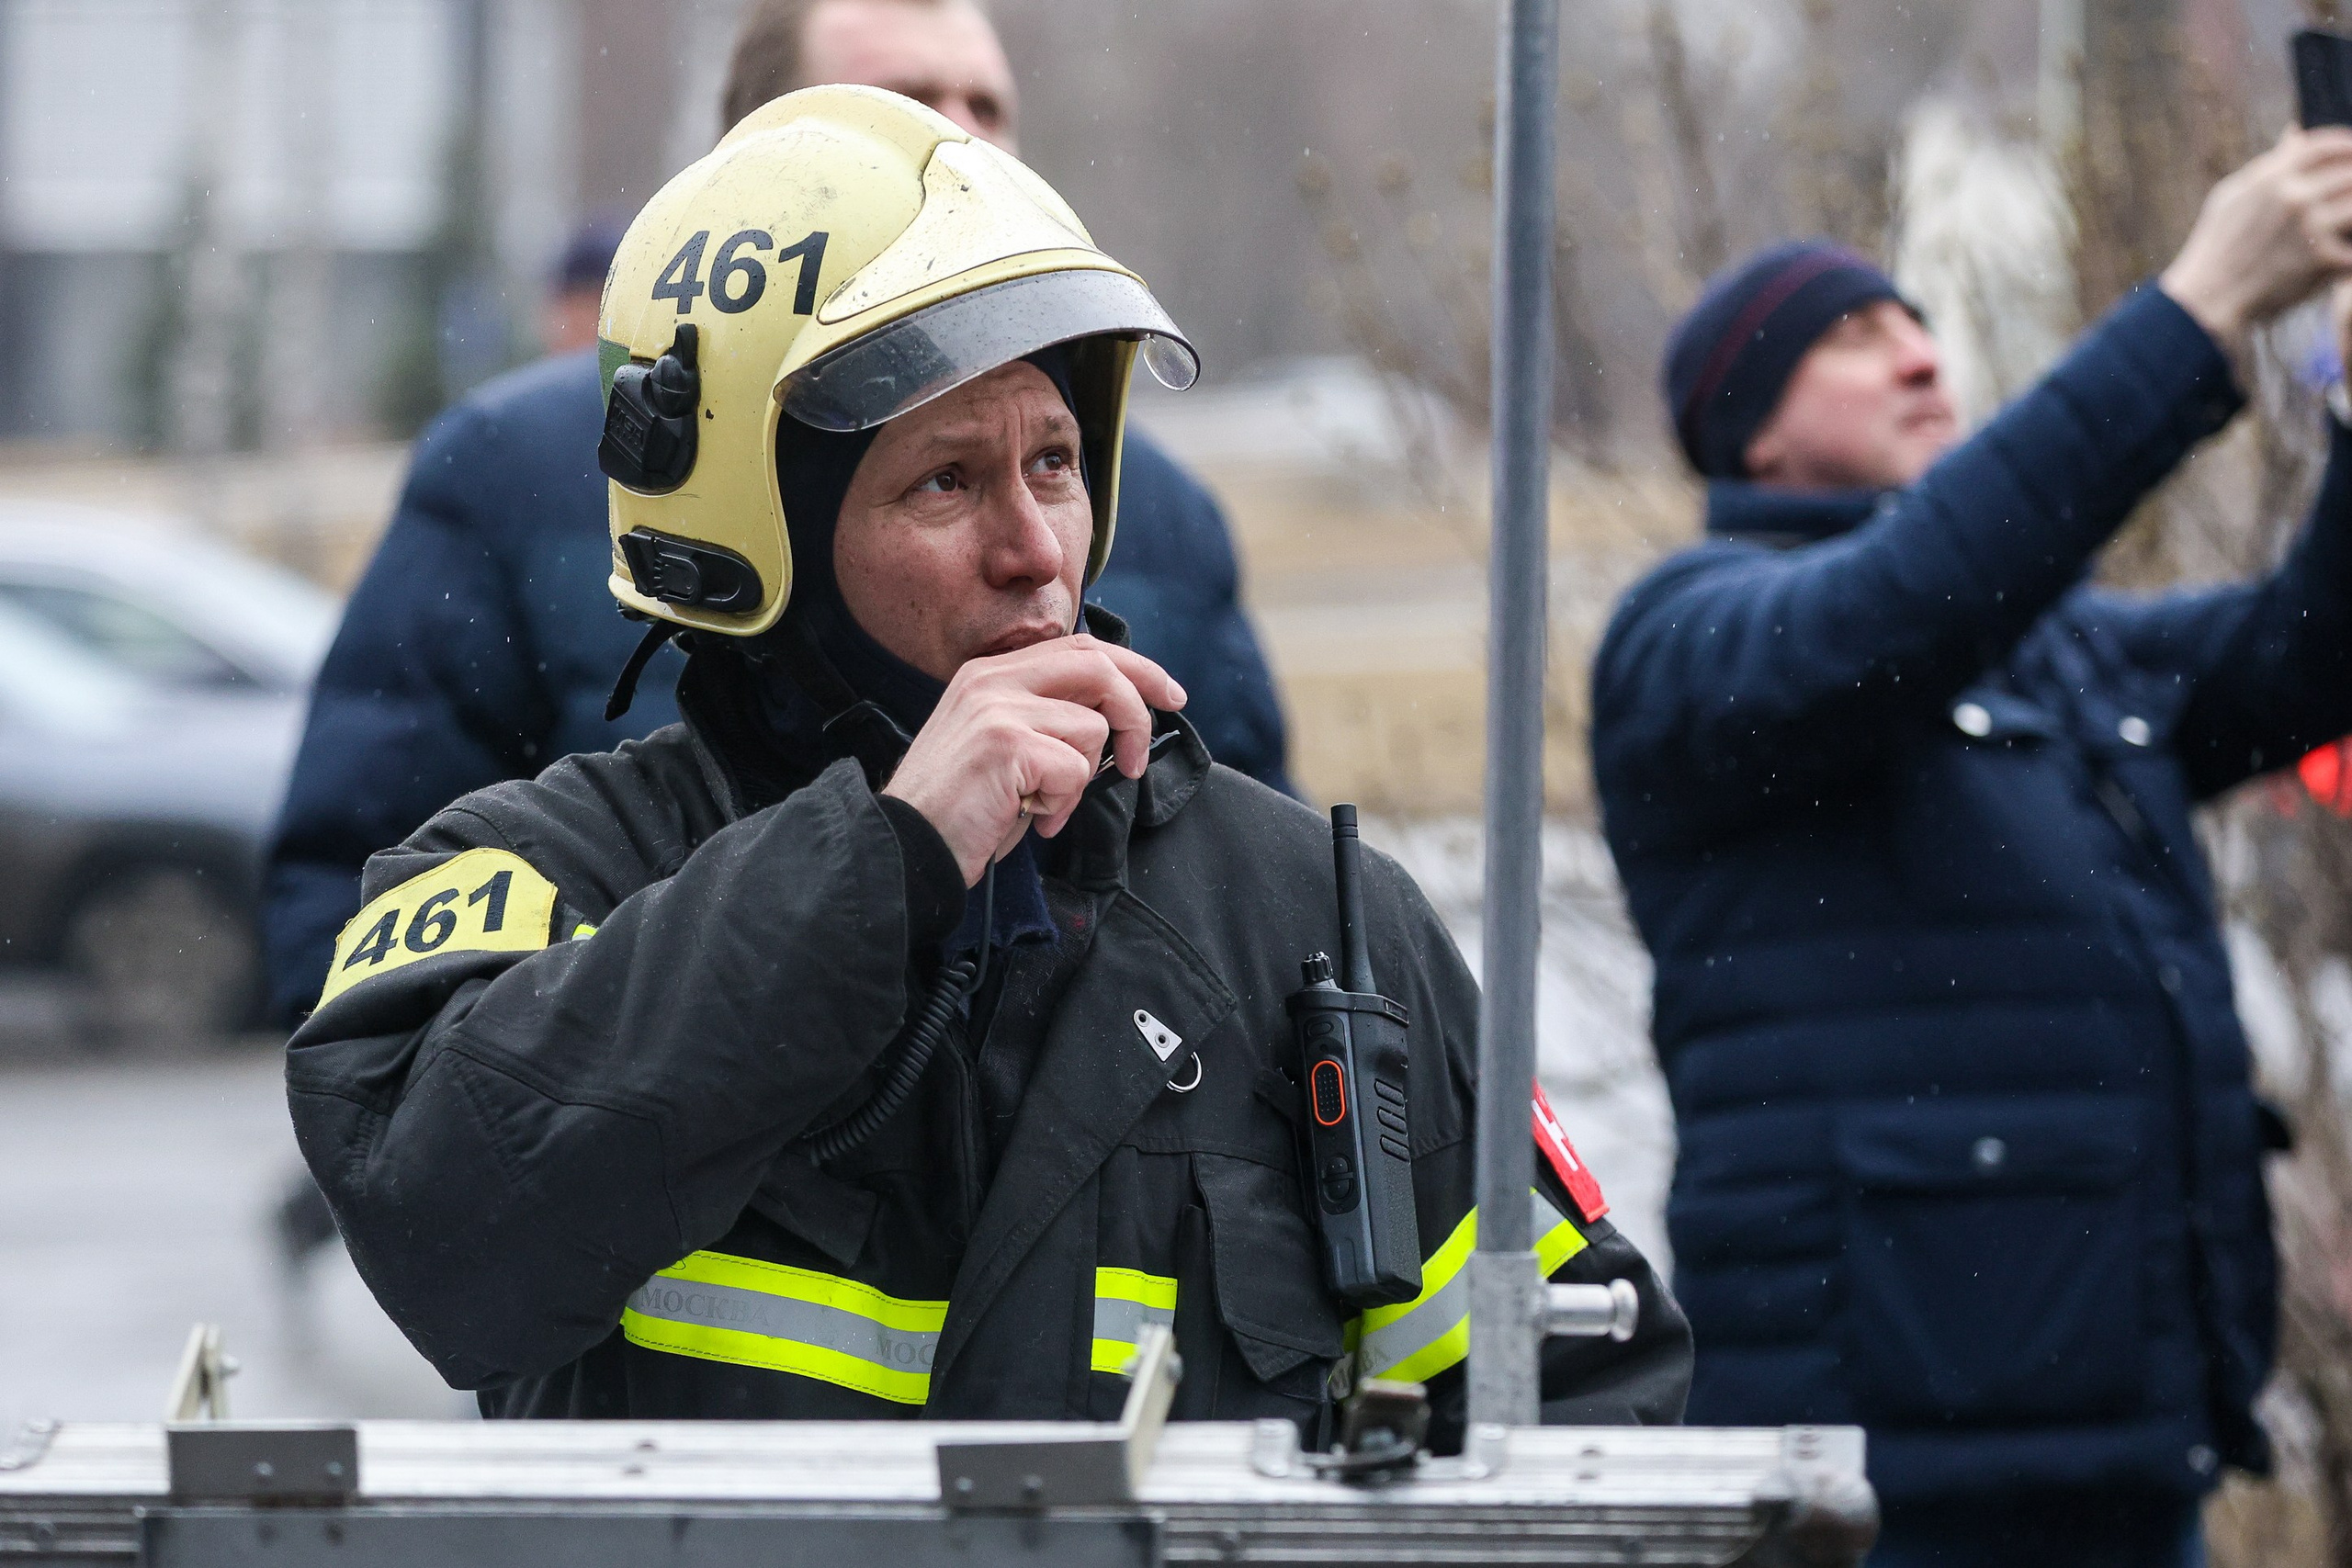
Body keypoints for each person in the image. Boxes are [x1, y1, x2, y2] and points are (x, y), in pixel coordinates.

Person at [286, 87, 1689, 1438]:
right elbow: (447, 1234)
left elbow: (1582, 1408)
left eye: (1060, 462)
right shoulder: (543, 873)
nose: (1036, 549)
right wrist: (885, 862)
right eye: (946, 480)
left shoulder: (1311, 918)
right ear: (756, 526)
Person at [1590, 130, 2352, 1566]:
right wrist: (2196, 308)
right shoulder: (1690, 637)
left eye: (1925, 329)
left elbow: (2308, 654)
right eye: (1859, 339)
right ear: (1746, 425)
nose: (1923, 359)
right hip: (1883, 1490)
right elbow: (1896, 608)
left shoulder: (2055, 654)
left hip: (2130, 1449)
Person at [260, 0, 1293, 1032]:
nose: (955, 149)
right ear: (749, 184)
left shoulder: (1165, 512)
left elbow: (1250, 908)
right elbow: (381, 996)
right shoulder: (508, 471)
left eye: (984, 106)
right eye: (899, 109)